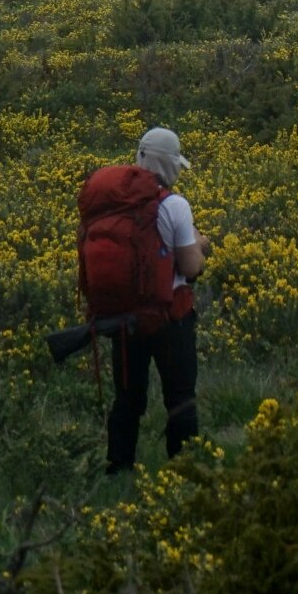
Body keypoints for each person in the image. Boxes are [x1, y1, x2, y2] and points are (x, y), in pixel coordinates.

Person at [90, 124, 206, 471]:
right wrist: (201, 245)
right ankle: (184, 472)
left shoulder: (112, 203)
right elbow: (191, 267)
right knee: (180, 398)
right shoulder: (174, 205)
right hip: (170, 319)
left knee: (127, 399)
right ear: (170, 164)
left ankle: (118, 470)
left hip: (124, 318)